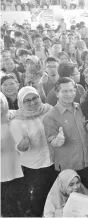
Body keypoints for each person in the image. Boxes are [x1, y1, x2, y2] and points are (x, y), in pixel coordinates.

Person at [43, 77, 88, 190]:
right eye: (64, 91)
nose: (69, 94)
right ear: (57, 93)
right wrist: (57, 141)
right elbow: (52, 140)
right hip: (68, 167)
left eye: (72, 90)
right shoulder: (50, 116)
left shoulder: (81, 107)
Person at [9, 86, 55, 216]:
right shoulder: (17, 121)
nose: (32, 102)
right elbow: (19, 148)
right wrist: (23, 145)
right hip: (34, 165)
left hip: (54, 160)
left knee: (55, 190)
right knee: (39, 195)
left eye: (35, 97)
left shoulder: (48, 110)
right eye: (27, 100)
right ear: (21, 103)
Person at [1, 92, 24, 217]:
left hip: (21, 163)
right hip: (3, 169)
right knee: (7, 200)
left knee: (22, 195)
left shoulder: (15, 114)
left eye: (0, 101)